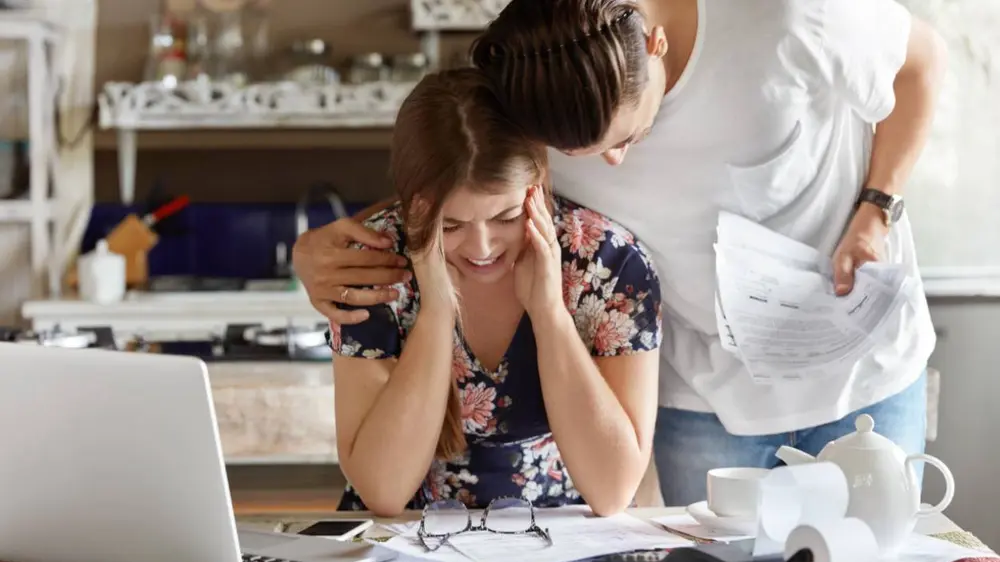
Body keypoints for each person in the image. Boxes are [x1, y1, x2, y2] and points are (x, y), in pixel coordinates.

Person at [295, 0, 947, 506]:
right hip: (706, 394)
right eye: (583, 157)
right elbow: (458, 156)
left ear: (656, 45)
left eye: (629, 134)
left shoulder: (793, 18)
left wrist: (876, 208)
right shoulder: (536, 72)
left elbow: (922, 65)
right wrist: (316, 250)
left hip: (861, 369)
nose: (615, 163)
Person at [327, 67, 662, 517]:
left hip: (556, 541)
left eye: (505, 217)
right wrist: (437, 311)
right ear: (413, 206)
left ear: (538, 181)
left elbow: (613, 490)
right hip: (404, 543)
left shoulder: (610, 265)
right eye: (451, 225)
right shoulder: (373, 265)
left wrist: (549, 314)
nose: (482, 249)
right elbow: (382, 493)